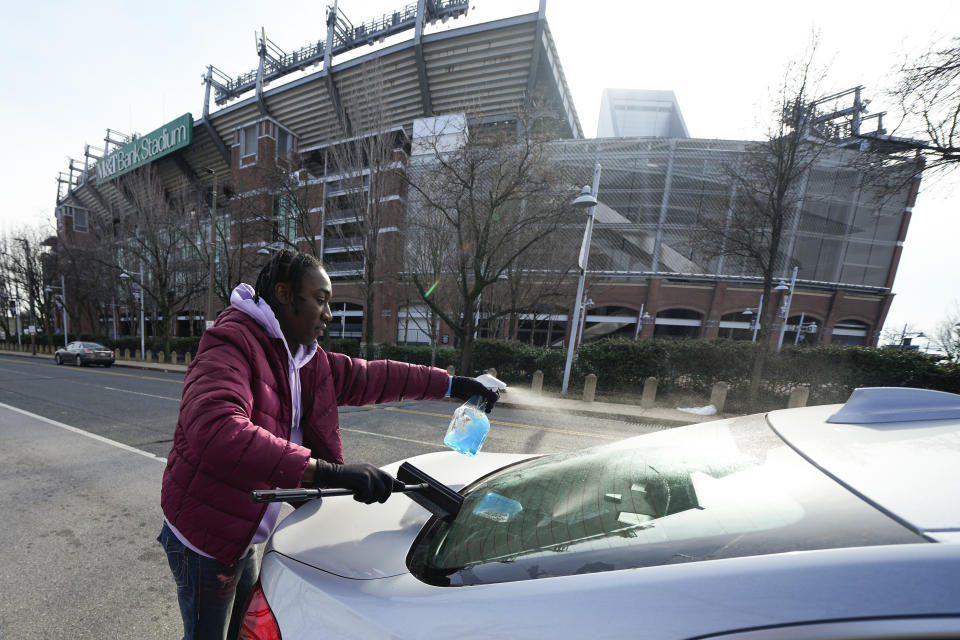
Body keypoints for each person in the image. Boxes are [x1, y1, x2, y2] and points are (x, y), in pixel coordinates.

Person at [157, 249, 498, 640]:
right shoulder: (230, 344)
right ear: (284, 295)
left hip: (238, 526)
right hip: (203, 536)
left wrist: (455, 385)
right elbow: (217, 430)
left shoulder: (303, 358)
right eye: (320, 300)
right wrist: (330, 472)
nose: (329, 314)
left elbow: (375, 377)